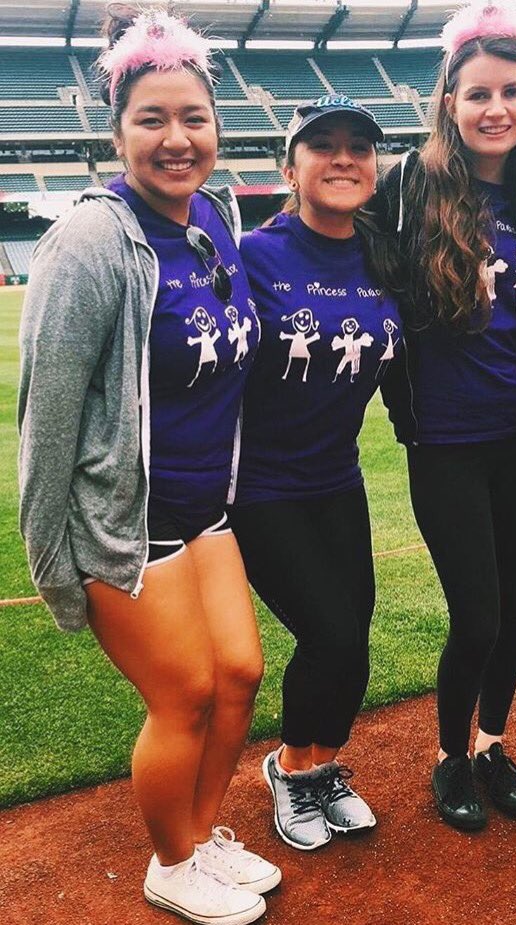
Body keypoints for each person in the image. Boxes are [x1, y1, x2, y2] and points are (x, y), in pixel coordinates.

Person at [18, 9, 279, 923]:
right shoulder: (90, 240)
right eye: (152, 119)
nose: (177, 138)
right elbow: (47, 415)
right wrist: (52, 561)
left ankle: (199, 836)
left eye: (193, 118)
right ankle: (170, 864)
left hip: (208, 509)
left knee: (239, 675)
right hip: (125, 518)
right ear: (117, 131)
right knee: (186, 693)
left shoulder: (214, 215)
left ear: (217, 125)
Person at [372, 0, 516, 831]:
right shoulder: (409, 185)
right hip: (447, 438)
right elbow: (343, 245)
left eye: (512, 91)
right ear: (449, 101)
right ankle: (450, 754)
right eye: (479, 93)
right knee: (478, 610)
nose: (497, 108)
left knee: (513, 601)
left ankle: (492, 743)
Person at [228, 96, 401, 851]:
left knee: (353, 640)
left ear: (375, 168)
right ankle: (290, 770)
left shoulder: (386, 255)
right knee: (329, 632)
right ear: (290, 168)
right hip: (261, 487)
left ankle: (323, 766)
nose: (343, 158)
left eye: (359, 147)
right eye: (322, 145)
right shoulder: (253, 255)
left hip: (338, 479)